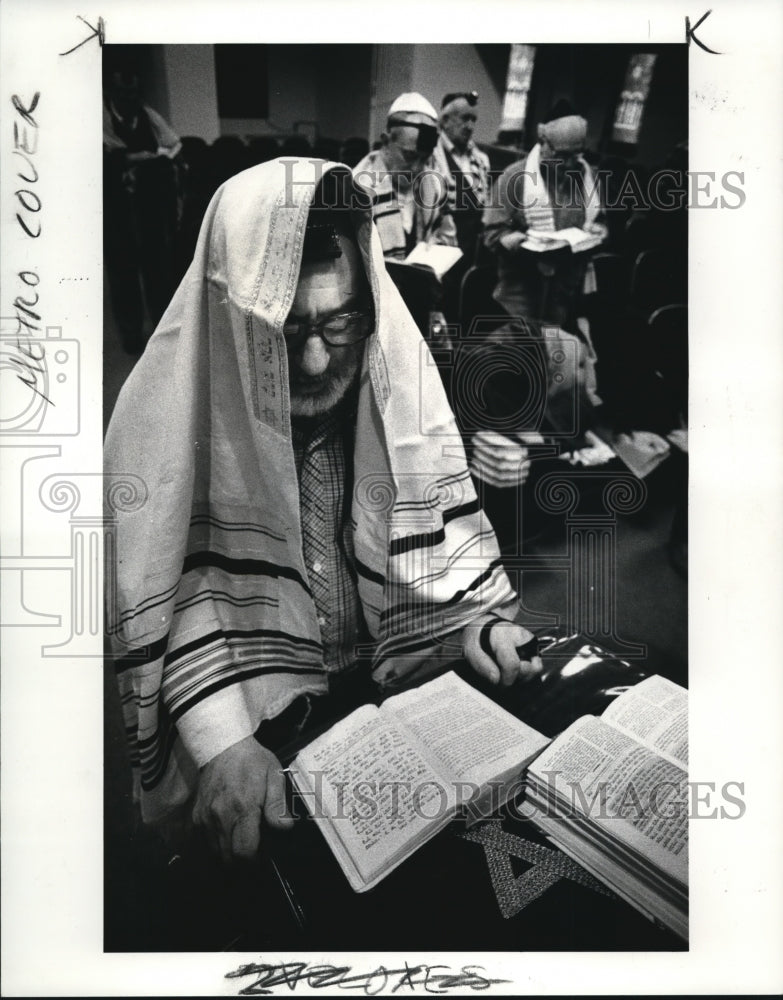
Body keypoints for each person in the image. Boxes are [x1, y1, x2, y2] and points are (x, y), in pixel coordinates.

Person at [105, 157, 542, 862]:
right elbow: (170, 593)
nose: (313, 362)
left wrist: (470, 628)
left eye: (339, 323)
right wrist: (223, 741)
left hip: (386, 691)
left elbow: (428, 567)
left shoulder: (394, 391)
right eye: (283, 332)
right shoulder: (164, 422)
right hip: (258, 712)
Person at [482, 108, 605, 330]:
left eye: (575, 157)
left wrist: (599, 231)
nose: (568, 164)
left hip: (565, 297)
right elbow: (492, 233)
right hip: (519, 296)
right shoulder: (515, 176)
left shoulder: (584, 177)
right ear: (543, 143)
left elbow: (599, 219)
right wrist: (509, 240)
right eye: (561, 156)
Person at [103, 69, 183, 353]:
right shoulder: (102, 119)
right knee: (123, 274)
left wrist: (154, 159)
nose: (130, 99)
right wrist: (128, 159)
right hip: (116, 209)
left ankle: (162, 332)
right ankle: (131, 337)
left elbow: (174, 144)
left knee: (157, 271)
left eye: (135, 93)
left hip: (149, 207)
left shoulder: (148, 116)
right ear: (111, 94)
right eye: (123, 94)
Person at [353, 92, 457, 259]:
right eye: (409, 156)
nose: (416, 168)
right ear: (386, 142)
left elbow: (446, 237)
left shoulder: (435, 185)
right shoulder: (357, 189)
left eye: (424, 159)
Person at [432, 90, 491, 266]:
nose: (470, 126)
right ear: (445, 121)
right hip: (442, 246)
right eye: (465, 118)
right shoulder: (431, 157)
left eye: (473, 120)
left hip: (473, 250)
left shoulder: (481, 160)